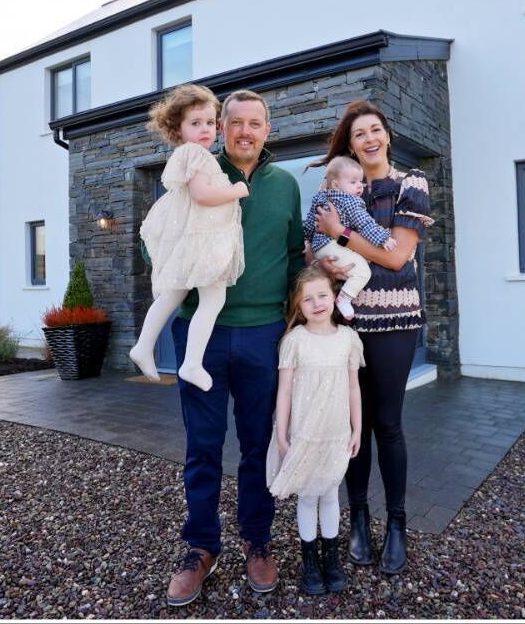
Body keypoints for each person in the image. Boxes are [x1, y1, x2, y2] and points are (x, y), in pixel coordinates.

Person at [164, 90, 305, 607]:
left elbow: (295, 256)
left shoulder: (285, 185)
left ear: (268, 130)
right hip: (199, 332)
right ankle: (201, 546)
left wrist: (296, 326)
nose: (245, 131)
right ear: (221, 127)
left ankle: (256, 539)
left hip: (264, 333)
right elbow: (155, 238)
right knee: (202, 445)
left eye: (256, 123)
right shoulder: (196, 170)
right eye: (236, 123)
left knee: (256, 443)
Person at [312, 100, 434, 575]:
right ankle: (358, 518)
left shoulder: (410, 184)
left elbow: (399, 258)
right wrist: (321, 251)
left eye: (375, 130)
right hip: (346, 323)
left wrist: (340, 236)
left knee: (387, 424)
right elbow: (316, 245)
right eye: (359, 133)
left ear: (387, 136)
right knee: (352, 429)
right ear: (350, 144)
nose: (369, 139)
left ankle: (397, 524)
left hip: (395, 322)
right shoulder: (344, 189)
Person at [131, 84, 248, 390]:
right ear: (178, 128)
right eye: (195, 123)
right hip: (199, 239)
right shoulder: (195, 153)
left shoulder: (195, 154)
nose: (205, 129)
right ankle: (191, 363)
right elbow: (202, 195)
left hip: (193, 238)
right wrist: (237, 189)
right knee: (213, 297)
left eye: (210, 123)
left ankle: (144, 347)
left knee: (175, 293)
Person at [265, 266, 363, 595]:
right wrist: (281, 432)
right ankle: (310, 561)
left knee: (331, 493)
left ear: (335, 297)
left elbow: (353, 388)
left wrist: (357, 428)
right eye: (308, 299)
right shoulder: (294, 341)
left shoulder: (349, 339)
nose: (317, 303)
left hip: (336, 432)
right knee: (308, 496)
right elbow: (285, 391)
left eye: (322, 295)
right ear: (298, 306)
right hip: (304, 432)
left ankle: (331, 559)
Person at [302, 156, 397, 320]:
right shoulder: (351, 201)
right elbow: (365, 224)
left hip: (320, 248)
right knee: (362, 272)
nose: (359, 186)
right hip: (332, 245)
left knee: (355, 262)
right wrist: (383, 239)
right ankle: (344, 298)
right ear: (336, 185)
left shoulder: (320, 198)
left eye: (360, 181)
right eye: (353, 182)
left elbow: (310, 225)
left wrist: (305, 239)